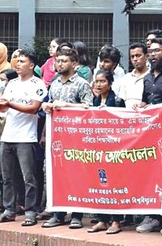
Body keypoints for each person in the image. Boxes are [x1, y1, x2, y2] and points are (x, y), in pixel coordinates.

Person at [0, 50, 47, 227]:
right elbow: (4, 106)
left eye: (22, 61)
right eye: (17, 61)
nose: (18, 64)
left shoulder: (38, 84)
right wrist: (2, 105)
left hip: (26, 137)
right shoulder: (12, 83)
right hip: (8, 135)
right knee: (7, 177)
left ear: (31, 65)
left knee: (28, 177)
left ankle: (31, 211)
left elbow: (33, 108)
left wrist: (9, 104)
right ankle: (9, 210)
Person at [41, 48, 93, 229]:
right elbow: (47, 103)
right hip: (57, 137)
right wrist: (46, 106)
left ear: (74, 63)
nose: (59, 64)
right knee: (57, 174)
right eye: (58, 61)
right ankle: (58, 214)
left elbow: (89, 108)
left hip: (77, 138)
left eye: (64, 61)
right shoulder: (54, 82)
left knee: (77, 175)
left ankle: (76, 215)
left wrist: (67, 105)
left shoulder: (82, 83)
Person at [136, 37, 162, 234]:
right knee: (150, 175)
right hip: (149, 136)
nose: (152, 55)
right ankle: (152, 217)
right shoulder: (147, 78)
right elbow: (145, 101)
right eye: (150, 52)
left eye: (157, 51)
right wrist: (141, 106)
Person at [86, 69, 125, 235]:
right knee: (99, 183)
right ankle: (102, 219)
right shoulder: (95, 101)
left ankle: (116, 221)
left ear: (110, 83)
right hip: (98, 150)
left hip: (114, 150)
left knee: (114, 183)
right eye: (97, 81)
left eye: (102, 81)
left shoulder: (117, 101)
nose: (99, 84)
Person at [119, 43, 149, 109]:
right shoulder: (126, 78)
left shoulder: (152, 77)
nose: (135, 59)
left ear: (146, 56)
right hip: (127, 116)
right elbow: (121, 101)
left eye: (138, 56)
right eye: (132, 56)